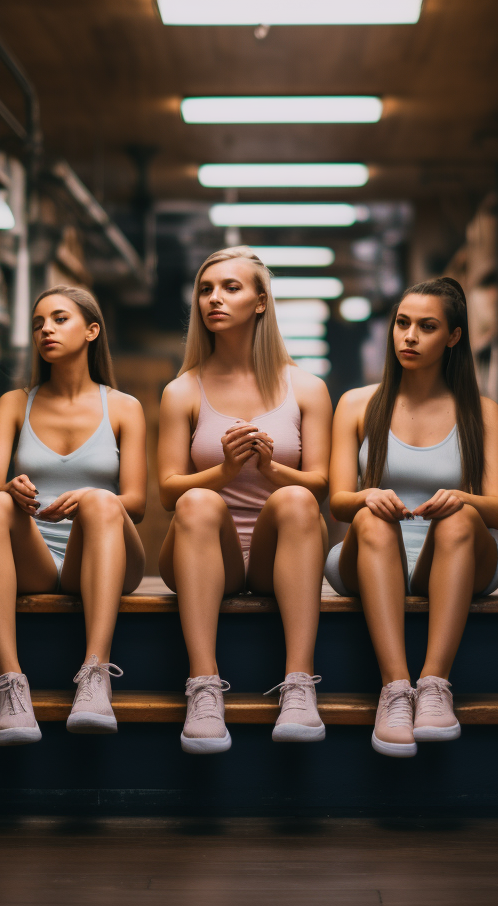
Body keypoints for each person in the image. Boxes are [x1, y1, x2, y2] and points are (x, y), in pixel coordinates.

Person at [157, 247, 333, 753]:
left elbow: (321, 483)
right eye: (206, 289)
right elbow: (168, 489)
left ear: (260, 301)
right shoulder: (182, 390)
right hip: (208, 549)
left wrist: (271, 467)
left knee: (298, 498)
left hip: (282, 548)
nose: (214, 298)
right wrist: (225, 471)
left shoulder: (306, 386)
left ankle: (299, 683)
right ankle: (204, 686)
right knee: (196, 503)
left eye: (230, 288)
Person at [327, 278, 498, 757]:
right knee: (368, 516)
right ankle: (394, 689)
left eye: (426, 327)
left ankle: (434, 685)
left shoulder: (482, 412)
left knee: (459, 517)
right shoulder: (356, 403)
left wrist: (461, 500)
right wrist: (370, 495)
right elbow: (338, 500)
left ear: (453, 337)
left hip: (453, 554)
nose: (409, 336)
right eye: (402, 324)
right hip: (371, 552)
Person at [0, 286, 146, 745]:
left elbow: (137, 503)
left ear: (92, 331)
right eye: (38, 323)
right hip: (37, 557)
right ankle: (10, 682)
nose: (45, 328)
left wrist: (90, 495)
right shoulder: (15, 402)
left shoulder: (124, 407)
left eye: (59, 319)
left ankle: (94, 674)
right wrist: (8, 486)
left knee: (104, 501)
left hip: (103, 554)